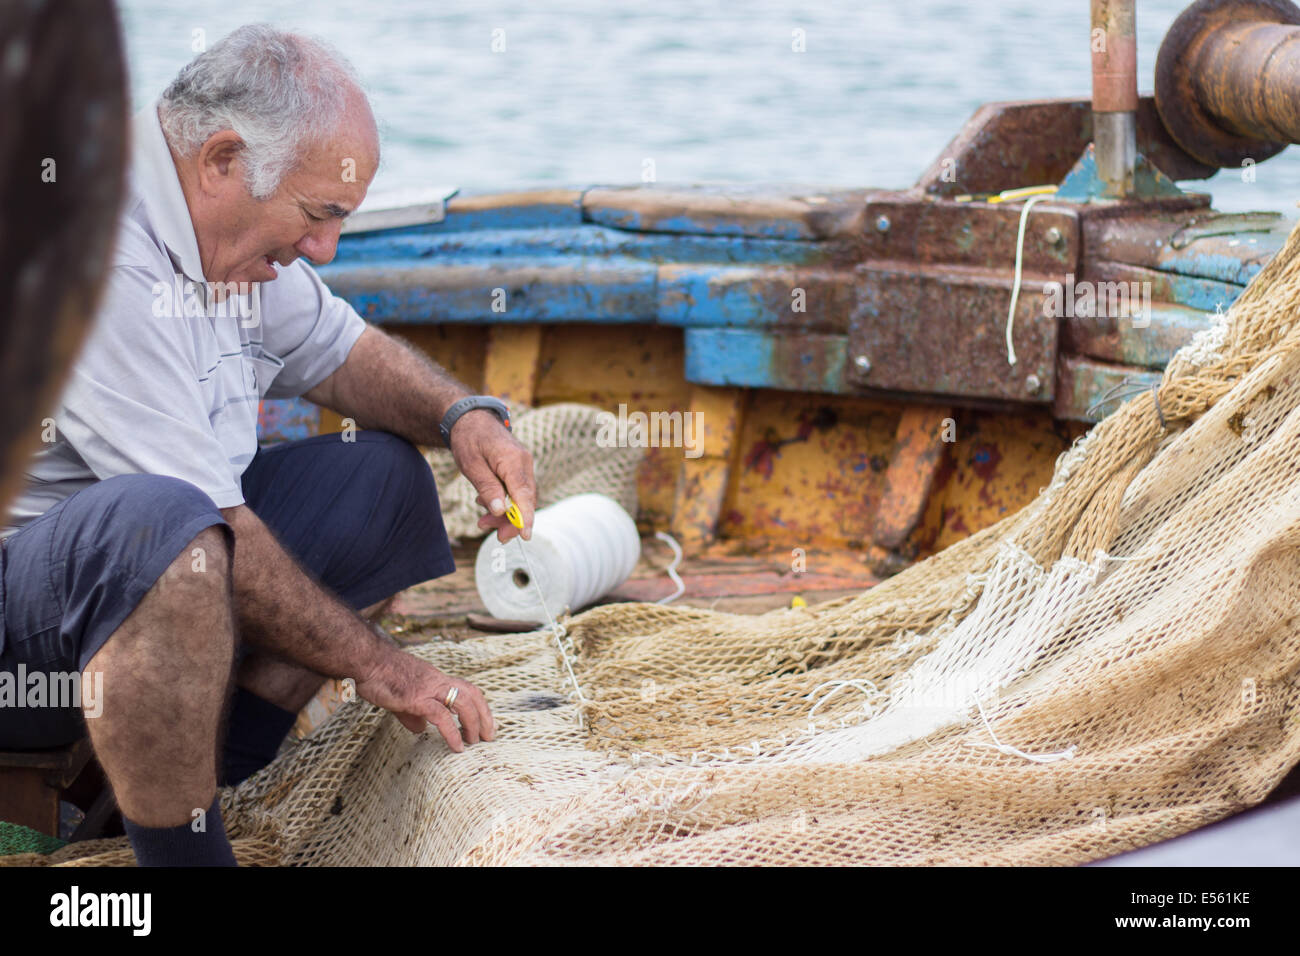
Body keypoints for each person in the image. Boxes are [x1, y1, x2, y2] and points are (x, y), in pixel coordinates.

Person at [0, 24, 536, 866]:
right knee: (169, 536)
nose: (323, 251)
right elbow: (202, 529)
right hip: (22, 630)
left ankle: (221, 778)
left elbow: (347, 356)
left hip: (153, 569)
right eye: (318, 216)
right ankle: (185, 858)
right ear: (220, 160)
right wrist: (382, 668)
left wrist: (463, 414)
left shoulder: (229, 237)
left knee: (381, 481)